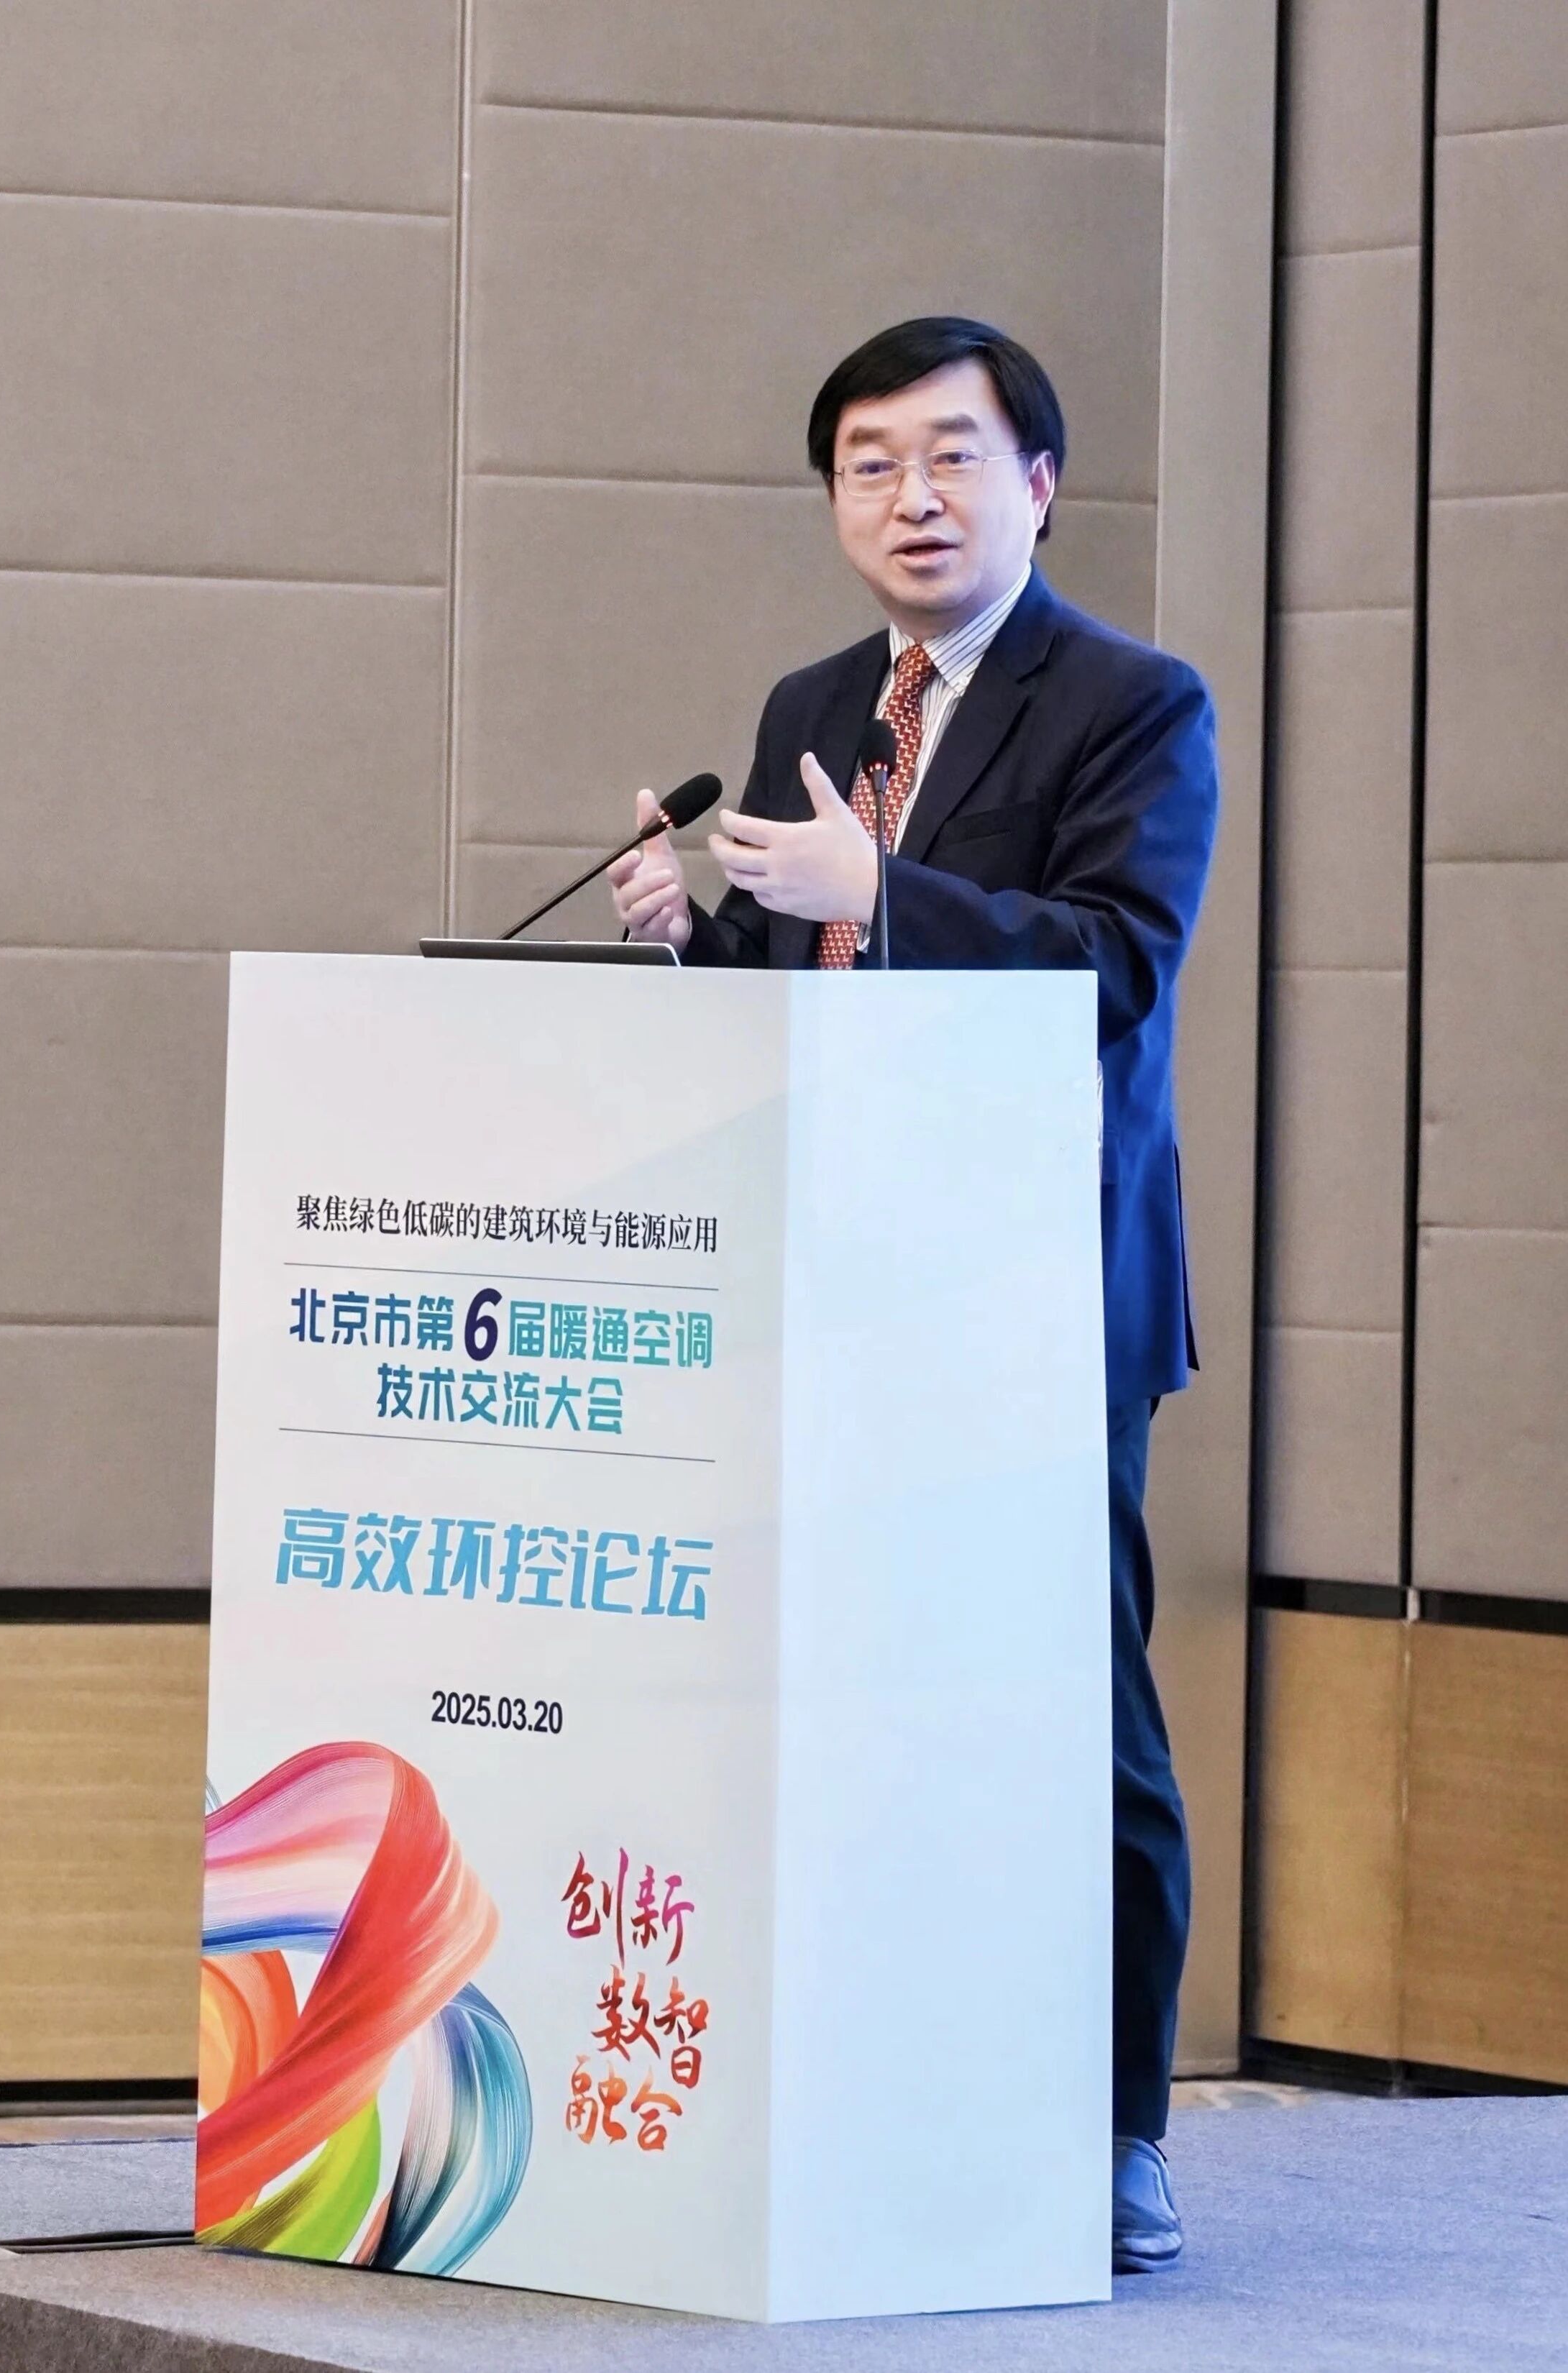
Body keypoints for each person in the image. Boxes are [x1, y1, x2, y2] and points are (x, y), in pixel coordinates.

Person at [610, 316, 1216, 2274]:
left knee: (1072, 1707)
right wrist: (692, 941)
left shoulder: (1133, 703)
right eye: (869, 465)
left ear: (1039, 483)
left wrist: (878, 889)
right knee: (851, 1705)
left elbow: (1116, 962)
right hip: (835, 1291)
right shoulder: (817, 698)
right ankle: (885, 2088)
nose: (912, 498)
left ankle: (1117, 2124)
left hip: (1034, 1290)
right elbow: (806, 1001)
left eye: (952, 456)